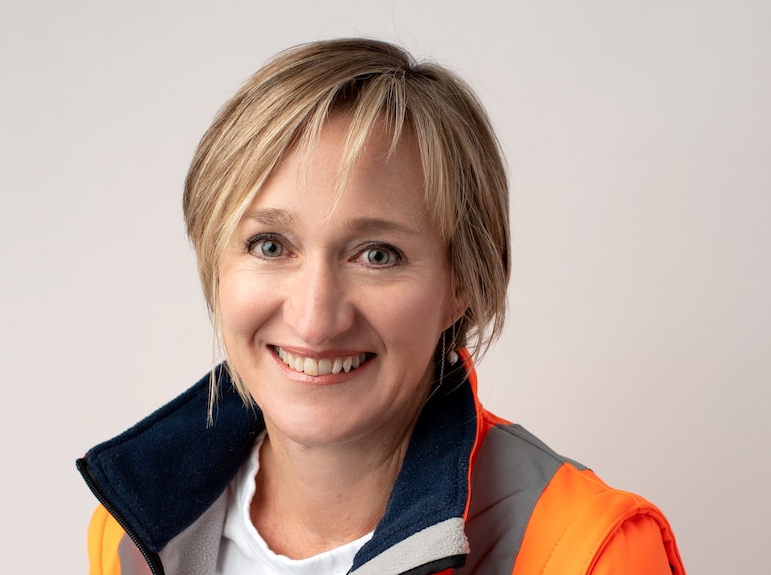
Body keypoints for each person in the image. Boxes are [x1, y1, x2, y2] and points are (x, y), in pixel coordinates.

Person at [77, 38, 685, 575]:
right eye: (269, 245)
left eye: (377, 254)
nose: (316, 318)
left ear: (462, 283)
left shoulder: (590, 554)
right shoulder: (136, 532)